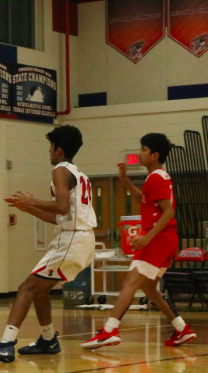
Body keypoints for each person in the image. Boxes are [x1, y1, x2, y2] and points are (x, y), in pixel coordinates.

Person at [0, 125, 96, 363]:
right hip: (79, 237)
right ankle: (48, 340)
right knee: (40, 290)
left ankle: (5, 344)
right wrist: (28, 207)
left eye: (50, 147)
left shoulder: (60, 170)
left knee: (25, 288)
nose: (48, 152)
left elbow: (60, 207)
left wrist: (31, 200)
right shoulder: (78, 173)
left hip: (73, 238)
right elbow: (60, 216)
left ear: (59, 150)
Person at [82, 133, 196, 349]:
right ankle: (182, 329)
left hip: (159, 240)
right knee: (151, 289)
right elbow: (141, 198)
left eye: (143, 150)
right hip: (167, 240)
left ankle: (108, 331)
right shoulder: (157, 177)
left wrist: (147, 237)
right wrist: (124, 179)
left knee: (130, 283)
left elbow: (169, 211)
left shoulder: (157, 177)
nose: (139, 153)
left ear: (154, 155)